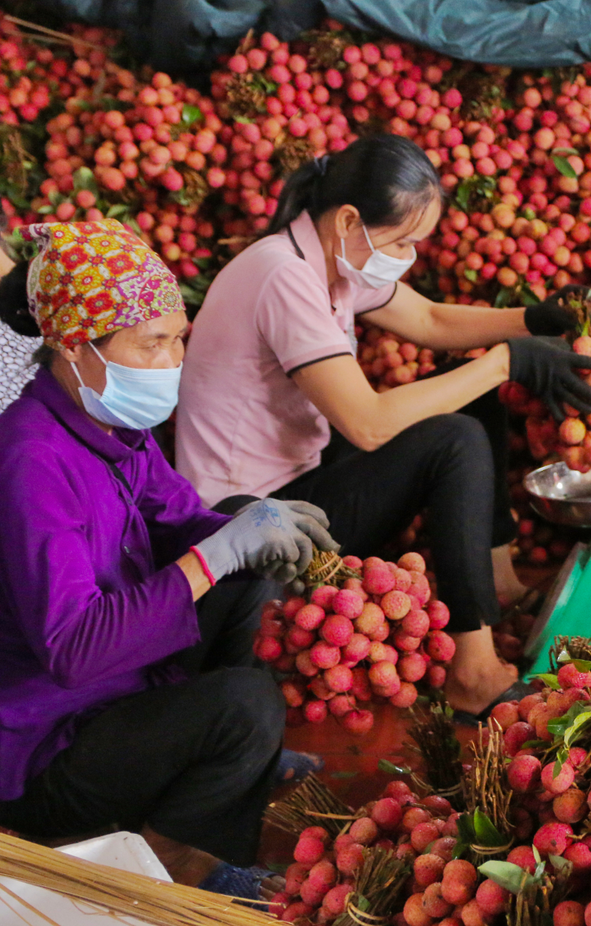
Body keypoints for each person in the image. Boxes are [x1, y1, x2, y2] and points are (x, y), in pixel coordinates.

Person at [175, 134, 591, 723]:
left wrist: (533, 320)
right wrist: (508, 359)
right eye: (402, 241)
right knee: (452, 438)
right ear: (350, 220)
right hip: (251, 519)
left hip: (304, 475)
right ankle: (474, 676)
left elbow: (427, 318)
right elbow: (369, 423)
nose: (407, 254)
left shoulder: (329, 258)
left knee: (470, 393)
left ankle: (496, 583)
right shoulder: (284, 276)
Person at [0, 219, 339, 899]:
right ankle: (174, 862)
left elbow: (178, 517)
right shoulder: (29, 460)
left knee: (245, 544)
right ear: (75, 348)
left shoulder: (109, 423)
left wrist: (250, 535)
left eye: (178, 338)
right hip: (43, 748)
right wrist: (214, 556)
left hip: (120, 692)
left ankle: (215, 778)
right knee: (245, 706)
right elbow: (72, 648)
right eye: (153, 343)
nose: (173, 359)